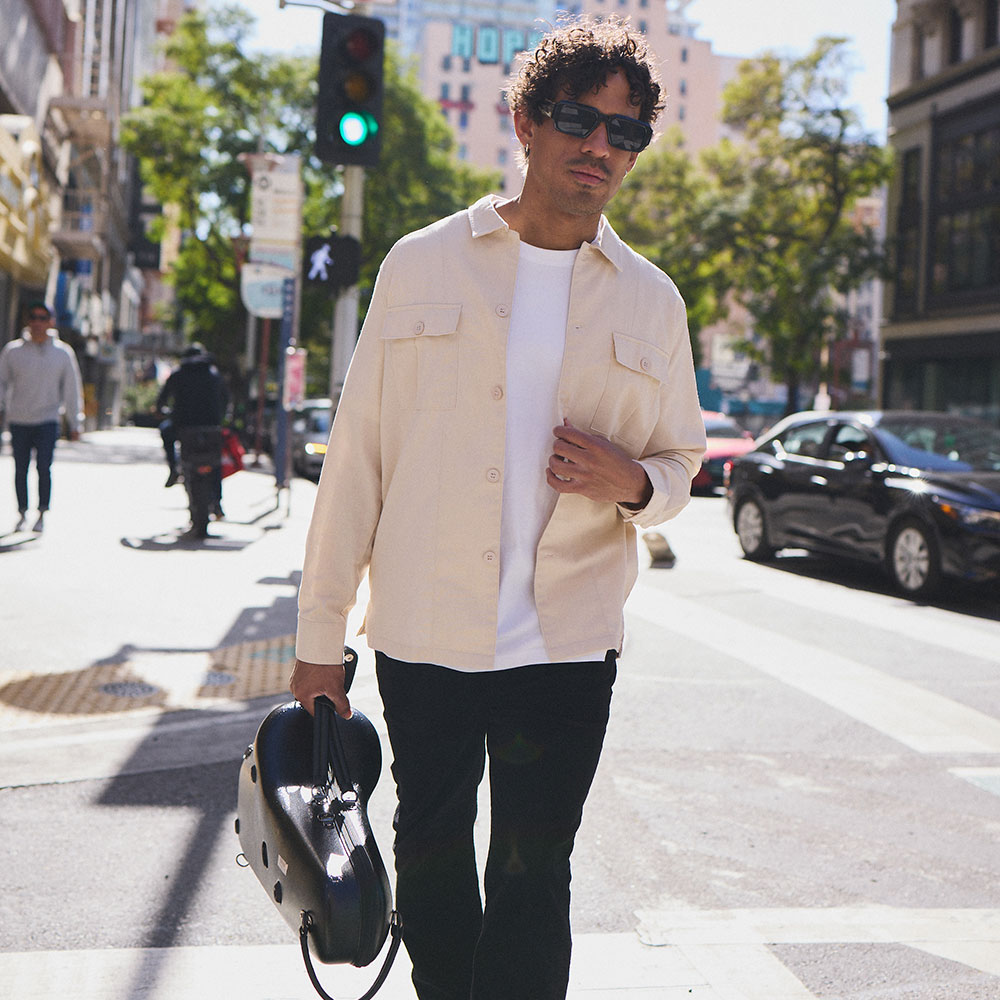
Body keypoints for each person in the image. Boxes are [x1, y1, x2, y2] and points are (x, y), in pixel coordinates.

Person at [290, 16, 707, 1000]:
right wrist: (318, 641)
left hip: (567, 643)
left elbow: (681, 461)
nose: (599, 145)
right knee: (431, 850)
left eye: (624, 131)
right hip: (426, 628)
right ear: (525, 122)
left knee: (534, 871)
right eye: (578, 119)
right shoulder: (421, 264)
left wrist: (632, 482)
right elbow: (358, 461)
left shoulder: (653, 302)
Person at [0, 301, 84, 533]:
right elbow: (2, 382)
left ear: (51, 322)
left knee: (44, 467)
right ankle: (22, 511)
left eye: (42, 318)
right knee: (21, 468)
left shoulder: (62, 353)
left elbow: (71, 389)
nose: (38, 322)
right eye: (33, 317)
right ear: (28, 321)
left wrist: (75, 422)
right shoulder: (13, 351)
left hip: (48, 419)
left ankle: (42, 511)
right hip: (19, 419)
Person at [156, 343, 228, 519]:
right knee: (215, 464)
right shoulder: (214, 374)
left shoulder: (178, 374)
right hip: (211, 428)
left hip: (183, 428)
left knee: (165, 431)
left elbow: (161, 400)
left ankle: (173, 468)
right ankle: (217, 504)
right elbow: (226, 400)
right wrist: (221, 419)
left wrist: (163, 411)